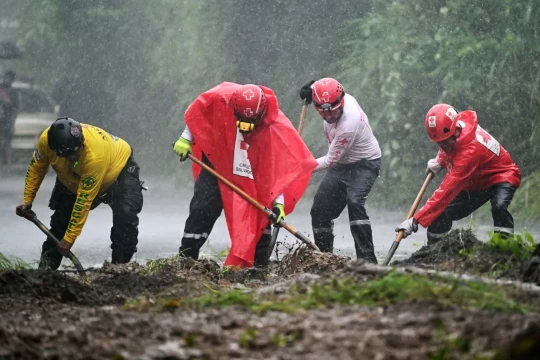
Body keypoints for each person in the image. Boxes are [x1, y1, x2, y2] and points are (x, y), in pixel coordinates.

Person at [173, 82, 317, 268]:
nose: (245, 128)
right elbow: (199, 114)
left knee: (260, 217)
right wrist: (186, 138)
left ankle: (258, 268)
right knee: (202, 209)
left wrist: (278, 204)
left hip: (252, 175)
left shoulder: (275, 129)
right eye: (241, 122)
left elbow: (279, 173)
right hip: (218, 161)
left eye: (251, 124)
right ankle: (185, 260)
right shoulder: (221, 97)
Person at [15, 117, 144, 269]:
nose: (75, 157)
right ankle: (45, 271)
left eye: (78, 150)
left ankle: (120, 269)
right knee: (60, 224)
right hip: (72, 178)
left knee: (125, 216)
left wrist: (69, 239)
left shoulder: (95, 156)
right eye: (70, 154)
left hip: (118, 170)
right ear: (55, 150)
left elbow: (83, 201)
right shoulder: (46, 141)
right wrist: (27, 200)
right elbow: (37, 169)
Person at [395, 103, 521, 243]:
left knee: (499, 206)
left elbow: (445, 192)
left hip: (502, 176)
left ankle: (505, 247)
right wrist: (440, 160)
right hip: (476, 182)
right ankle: (433, 253)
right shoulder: (459, 127)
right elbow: (451, 148)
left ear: (455, 130)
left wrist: (416, 221)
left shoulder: (469, 152)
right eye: (439, 144)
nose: (442, 147)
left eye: (444, 143)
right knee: (440, 215)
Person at [299, 77, 382, 263]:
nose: (329, 116)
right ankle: (323, 258)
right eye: (323, 113)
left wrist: (301, 168)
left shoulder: (349, 124)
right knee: (319, 210)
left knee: (355, 203)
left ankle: (367, 261)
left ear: (342, 101)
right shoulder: (327, 95)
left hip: (365, 163)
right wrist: (309, 88)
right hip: (341, 165)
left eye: (334, 112)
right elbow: (319, 85)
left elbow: (329, 160)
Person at [0, 70, 19, 165]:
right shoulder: (2, 89)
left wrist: (12, 122)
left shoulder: (13, 92)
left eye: (10, 78)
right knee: (5, 141)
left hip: (7, 120)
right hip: (4, 120)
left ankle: (8, 162)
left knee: (7, 142)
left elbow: (15, 109)